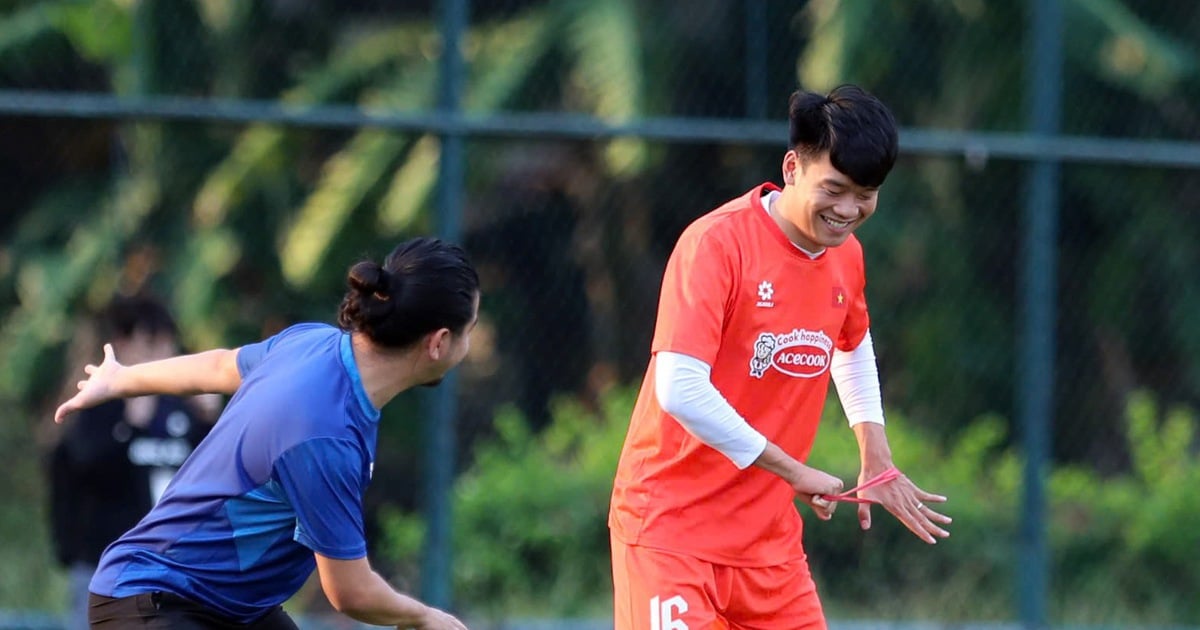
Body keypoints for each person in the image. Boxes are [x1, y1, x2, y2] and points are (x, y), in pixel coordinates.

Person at [608, 85, 953, 629]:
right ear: (792, 167)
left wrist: (875, 452)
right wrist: (792, 471)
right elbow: (680, 388)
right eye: (834, 188)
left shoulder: (846, 257)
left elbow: (852, 339)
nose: (848, 210)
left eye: (866, 194)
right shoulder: (716, 245)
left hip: (768, 549)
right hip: (671, 536)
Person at [54, 237, 478, 630]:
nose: (471, 344)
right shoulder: (324, 436)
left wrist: (124, 379)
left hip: (228, 605)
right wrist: (425, 618)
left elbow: (220, 366)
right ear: (439, 342)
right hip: (154, 600)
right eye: (471, 329)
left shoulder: (313, 343)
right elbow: (351, 591)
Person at [49, 295, 214, 630]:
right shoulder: (96, 407)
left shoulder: (182, 410)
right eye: (151, 343)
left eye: (168, 344)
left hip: (172, 571)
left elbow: (217, 478)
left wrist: (213, 420)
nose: (161, 355)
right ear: (122, 344)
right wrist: (129, 427)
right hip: (105, 569)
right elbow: (79, 470)